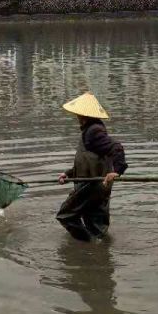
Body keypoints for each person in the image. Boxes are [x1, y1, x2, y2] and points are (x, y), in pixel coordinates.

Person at [56, 92, 127, 241]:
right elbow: (89, 160)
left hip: (92, 185)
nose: (76, 117)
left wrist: (117, 171)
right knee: (96, 224)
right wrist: (68, 174)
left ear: (84, 115)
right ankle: (100, 253)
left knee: (65, 214)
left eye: (78, 114)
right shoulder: (90, 130)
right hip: (98, 184)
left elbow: (117, 148)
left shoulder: (93, 132)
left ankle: (89, 246)